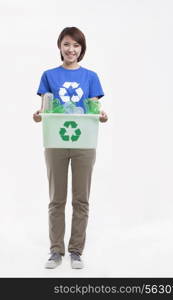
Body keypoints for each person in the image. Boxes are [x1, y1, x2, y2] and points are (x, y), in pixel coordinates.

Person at [33, 27, 108, 269]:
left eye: (76, 45)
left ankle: (76, 250)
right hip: (55, 141)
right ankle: (56, 251)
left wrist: (102, 115)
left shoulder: (91, 77)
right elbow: (45, 106)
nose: (71, 49)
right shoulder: (48, 75)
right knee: (57, 199)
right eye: (67, 44)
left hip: (84, 142)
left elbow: (94, 107)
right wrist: (38, 114)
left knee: (81, 199)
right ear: (59, 47)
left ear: (82, 49)